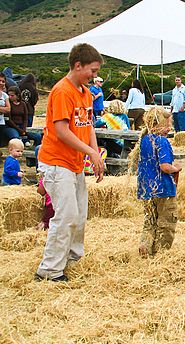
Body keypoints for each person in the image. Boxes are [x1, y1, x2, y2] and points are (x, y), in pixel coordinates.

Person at [35, 43, 104, 282]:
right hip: (56, 162)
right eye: (92, 71)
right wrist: (90, 152)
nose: (95, 76)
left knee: (80, 215)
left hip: (73, 163)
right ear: (78, 65)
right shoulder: (62, 91)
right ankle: (49, 270)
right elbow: (62, 131)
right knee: (65, 216)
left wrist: (95, 153)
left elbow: (88, 125)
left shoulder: (85, 93)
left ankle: (71, 259)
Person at [136, 107, 182, 258]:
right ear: (156, 125)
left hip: (146, 188)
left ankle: (145, 245)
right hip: (163, 189)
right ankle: (161, 254)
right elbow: (164, 166)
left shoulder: (144, 140)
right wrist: (175, 168)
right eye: (167, 125)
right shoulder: (162, 141)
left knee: (150, 220)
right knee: (166, 222)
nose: (169, 128)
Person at [0, 72, 19, 146]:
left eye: (3, 81)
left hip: (1, 123)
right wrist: (2, 109)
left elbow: (8, 109)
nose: (1, 83)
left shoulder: (4, 95)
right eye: (0, 81)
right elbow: (5, 108)